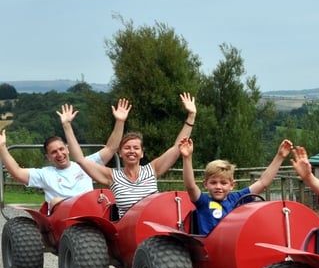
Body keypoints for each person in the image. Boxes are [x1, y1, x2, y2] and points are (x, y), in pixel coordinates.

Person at [62, 92, 197, 219]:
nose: (131, 151)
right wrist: (67, 125)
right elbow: (80, 159)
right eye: (127, 148)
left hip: (153, 225)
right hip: (127, 231)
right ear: (120, 153)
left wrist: (191, 115)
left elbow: (178, 147)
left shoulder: (152, 169)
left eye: (136, 148)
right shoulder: (112, 176)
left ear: (142, 153)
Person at [0, 99, 131, 213]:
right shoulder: (45, 174)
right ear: (48, 157)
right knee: (55, 201)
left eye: (61, 149)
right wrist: (2, 148)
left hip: (90, 212)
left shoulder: (86, 164)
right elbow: (17, 172)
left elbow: (111, 148)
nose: (59, 154)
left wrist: (120, 121)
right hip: (63, 219)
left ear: (67, 150)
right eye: (54, 152)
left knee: (112, 199)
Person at [179, 136, 294, 235]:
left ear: (232, 185)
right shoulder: (203, 202)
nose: (218, 187)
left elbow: (263, 182)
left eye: (223, 183)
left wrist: (280, 157)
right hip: (211, 250)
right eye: (213, 183)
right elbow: (190, 185)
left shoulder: (237, 199)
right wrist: (187, 157)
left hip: (233, 246)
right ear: (205, 184)